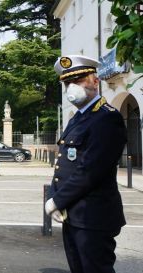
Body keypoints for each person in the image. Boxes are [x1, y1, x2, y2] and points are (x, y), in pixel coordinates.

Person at [45, 55, 127, 273]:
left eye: (79, 80)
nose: (72, 87)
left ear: (95, 81)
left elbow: (90, 170)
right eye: (67, 83)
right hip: (73, 214)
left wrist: (56, 201)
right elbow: (63, 164)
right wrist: (54, 197)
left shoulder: (107, 118)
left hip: (94, 216)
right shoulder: (78, 118)